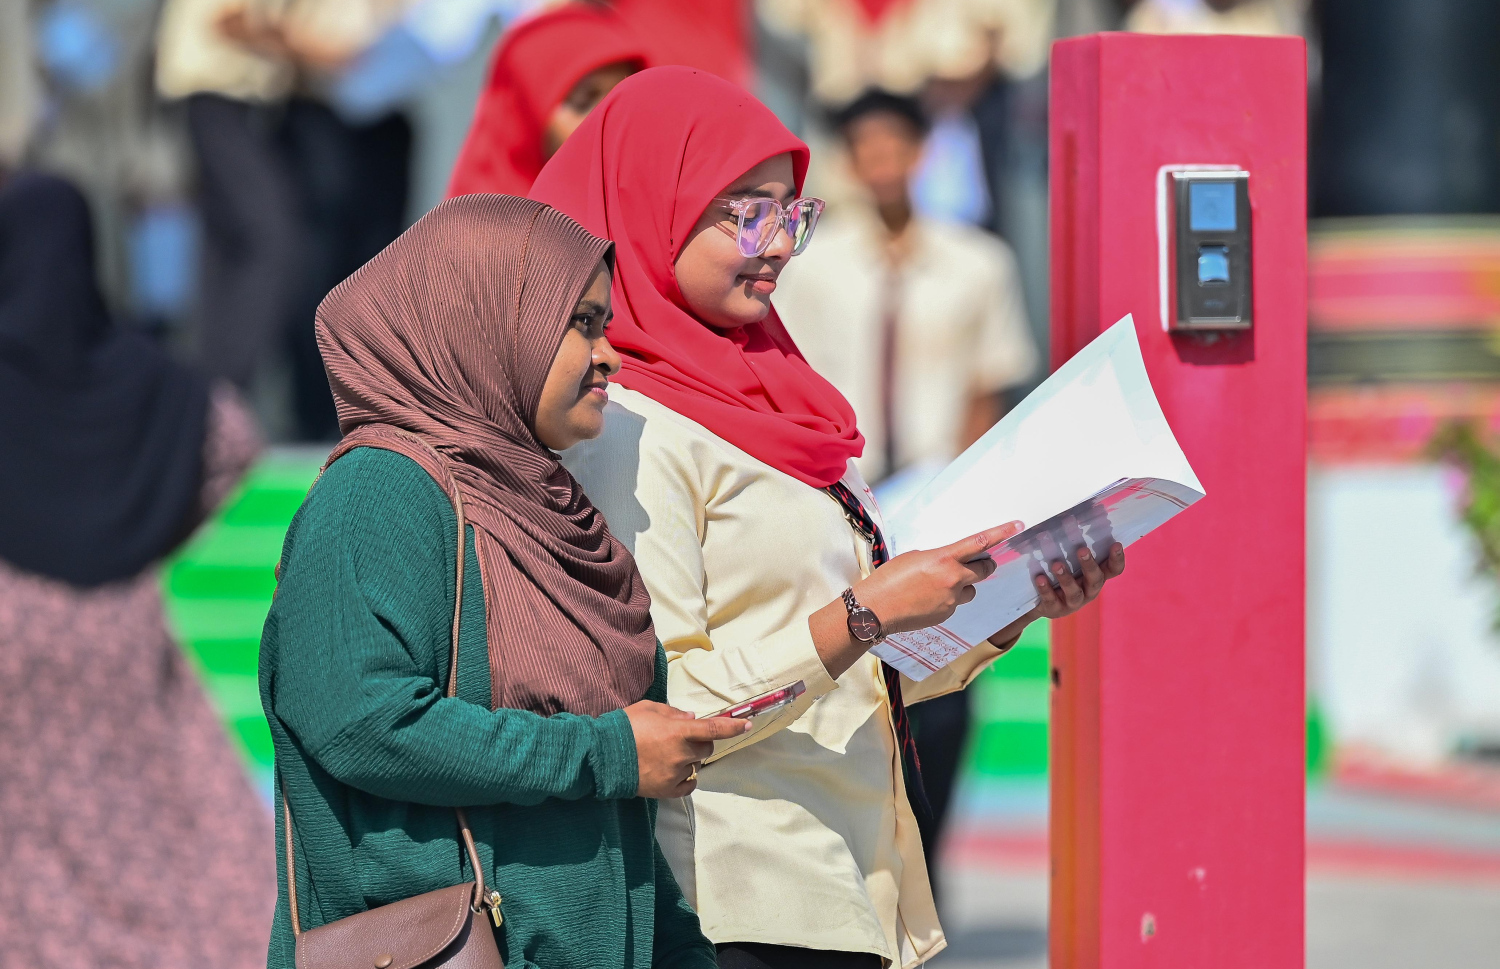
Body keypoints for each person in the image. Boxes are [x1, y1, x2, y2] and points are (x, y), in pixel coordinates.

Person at [537, 67, 1125, 968]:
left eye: (791, 213)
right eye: (746, 213)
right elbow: (659, 705)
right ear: (654, 204)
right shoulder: (628, 426)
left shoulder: (781, 408)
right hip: (728, 895)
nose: (778, 244)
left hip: (840, 882)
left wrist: (1007, 603)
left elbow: (849, 675)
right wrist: (861, 616)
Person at [261, 194, 743, 969]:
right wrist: (609, 753)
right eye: (580, 322)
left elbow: (607, 819)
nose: (610, 355)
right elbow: (364, 721)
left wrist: (680, 949)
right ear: (482, 321)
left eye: (605, 324)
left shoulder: (547, 511)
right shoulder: (379, 492)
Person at [0, 172, 272, 968]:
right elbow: (235, 439)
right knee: (155, 821)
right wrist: (150, 523)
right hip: (123, 633)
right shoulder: (150, 382)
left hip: (11, 635)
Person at [773, 88, 1038, 889]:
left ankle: (926, 851)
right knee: (853, 665)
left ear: (922, 153)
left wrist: (962, 491)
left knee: (945, 682)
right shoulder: (811, 269)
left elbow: (987, 381)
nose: (882, 160)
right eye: (867, 146)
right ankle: (867, 858)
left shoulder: (977, 263)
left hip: (935, 493)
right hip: (842, 492)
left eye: (896, 143)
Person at [447, 3, 648, 198]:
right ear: (525, 120)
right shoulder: (481, 219)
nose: (612, 121)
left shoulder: (642, 205)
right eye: (584, 102)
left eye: (625, 100)